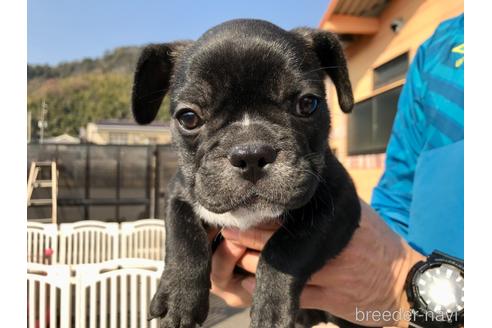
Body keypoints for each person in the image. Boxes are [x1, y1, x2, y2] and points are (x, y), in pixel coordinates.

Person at [209, 14, 464, 327]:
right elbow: (397, 198)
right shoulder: (439, 46)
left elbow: (390, 279)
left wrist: (400, 285)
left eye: (304, 105)